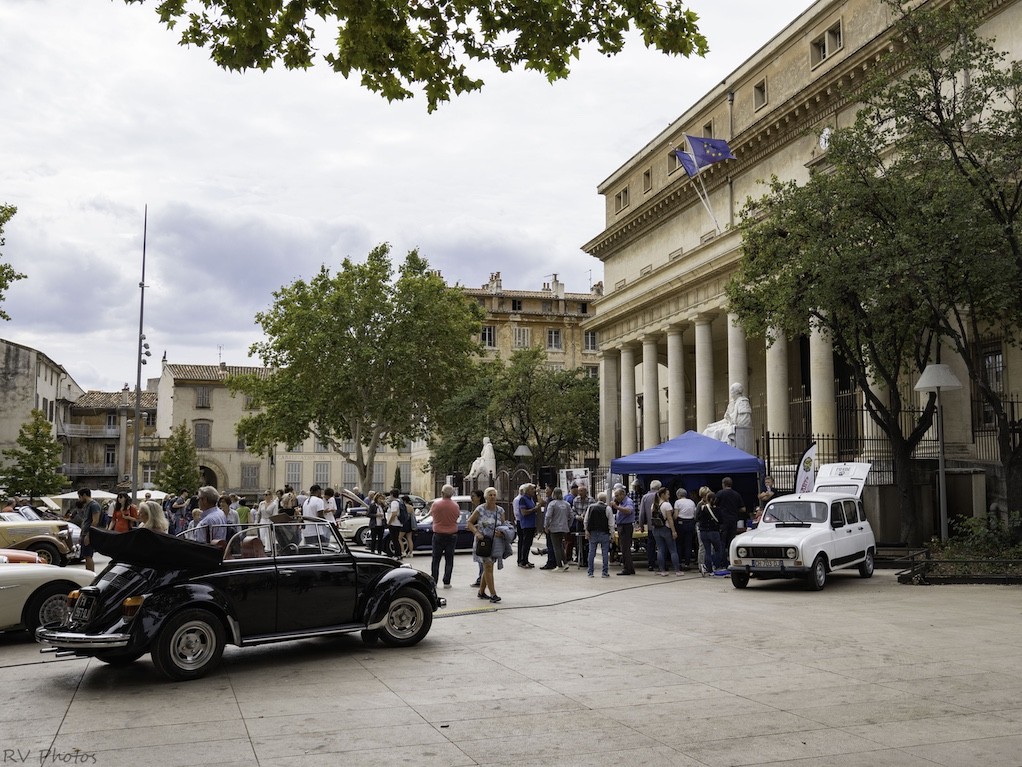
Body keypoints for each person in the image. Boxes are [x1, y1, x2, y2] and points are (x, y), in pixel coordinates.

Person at [467, 486, 512, 603]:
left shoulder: (500, 510)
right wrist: (476, 532)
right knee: (488, 566)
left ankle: (481, 592)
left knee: (488, 567)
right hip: (483, 543)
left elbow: (504, 525)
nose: (492, 497)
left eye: (494, 495)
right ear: (486, 497)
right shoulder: (480, 509)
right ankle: (493, 594)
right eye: (490, 495)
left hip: (495, 543)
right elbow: (469, 523)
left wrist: (502, 533)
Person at [703, 382, 753, 448]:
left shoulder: (743, 402)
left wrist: (732, 422)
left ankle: (718, 450)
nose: (731, 392)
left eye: (732, 390)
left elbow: (744, 421)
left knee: (717, 432)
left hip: (735, 427)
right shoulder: (731, 404)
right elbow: (726, 419)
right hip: (729, 425)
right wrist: (713, 424)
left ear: (737, 392)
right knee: (708, 430)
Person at [429, 484, 460, 588]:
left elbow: (431, 515)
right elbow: (457, 517)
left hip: (438, 534)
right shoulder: (455, 506)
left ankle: (434, 581)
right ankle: (447, 582)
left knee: (436, 559)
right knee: (449, 559)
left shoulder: (436, 505)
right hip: (451, 535)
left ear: (442, 493)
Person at [583, 491, 615, 577]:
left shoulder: (591, 507)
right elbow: (611, 523)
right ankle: (604, 573)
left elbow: (586, 520)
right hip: (604, 533)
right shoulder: (608, 508)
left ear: (598, 498)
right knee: (604, 553)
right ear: (605, 500)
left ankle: (590, 572)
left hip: (592, 533)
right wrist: (612, 535)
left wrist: (586, 530)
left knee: (591, 552)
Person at [715, 477, 746, 562]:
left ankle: (722, 562)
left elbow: (714, 506)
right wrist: (735, 509)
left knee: (722, 542)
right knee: (731, 541)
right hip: (733, 520)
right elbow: (743, 509)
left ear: (723, 484)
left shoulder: (720, 494)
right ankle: (731, 560)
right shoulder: (736, 494)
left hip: (723, 521)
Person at [652, 486, 681, 576]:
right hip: (666, 529)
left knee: (660, 550)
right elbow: (670, 519)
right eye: (667, 494)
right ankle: (677, 570)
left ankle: (662, 570)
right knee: (673, 550)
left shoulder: (654, 505)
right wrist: (674, 531)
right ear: (663, 495)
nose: (669, 496)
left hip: (656, 529)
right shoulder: (666, 505)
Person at [542, 487, 573, 571]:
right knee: (561, 546)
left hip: (554, 528)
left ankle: (559, 565)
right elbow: (571, 516)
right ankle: (565, 562)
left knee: (556, 547)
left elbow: (548, 516)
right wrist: (568, 525)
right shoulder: (566, 504)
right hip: (564, 528)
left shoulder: (552, 504)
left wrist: (546, 526)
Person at [696, 487, 725, 574]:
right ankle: (715, 565)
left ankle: (707, 567)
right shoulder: (717, 509)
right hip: (714, 531)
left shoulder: (701, 507)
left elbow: (697, 518)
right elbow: (721, 521)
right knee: (718, 550)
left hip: (703, 531)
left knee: (706, 550)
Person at [609, 485, 636, 575]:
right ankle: (630, 567)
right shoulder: (620, 502)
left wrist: (617, 507)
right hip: (621, 526)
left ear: (622, 494)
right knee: (624, 548)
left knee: (625, 548)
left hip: (626, 526)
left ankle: (627, 569)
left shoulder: (628, 501)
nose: (615, 497)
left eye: (617, 495)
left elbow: (629, 511)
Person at [636, 480, 662, 571]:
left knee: (651, 545)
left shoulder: (645, 497)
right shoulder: (661, 496)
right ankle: (661, 564)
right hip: (661, 525)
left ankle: (651, 564)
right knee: (661, 545)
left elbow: (642, 513)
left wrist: (641, 525)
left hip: (651, 526)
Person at [77, 488, 103, 572]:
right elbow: (85, 521)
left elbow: (95, 521)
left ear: (84, 495)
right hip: (85, 533)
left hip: (89, 534)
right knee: (86, 556)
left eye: (80, 497)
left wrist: (88, 535)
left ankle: (91, 575)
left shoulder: (94, 505)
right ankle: (88, 573)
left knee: (88, 556)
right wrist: (82, 534)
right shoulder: (88, 505)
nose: (79, 499)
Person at [513, 484, 537, 568]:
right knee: (525, 543)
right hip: (526, 524)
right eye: (532, 489)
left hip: (531, 524)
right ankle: (522, 561)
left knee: (529, 543)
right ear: (527, 491)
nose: (534, 491)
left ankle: (526, 560)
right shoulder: (522, 499)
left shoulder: (531, 499)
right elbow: (523, 512)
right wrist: (534, 509)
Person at [674, 488, 698, 569]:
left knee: (679, 543)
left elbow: (676, 515)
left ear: (678, 495)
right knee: (688, 544)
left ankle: (679, 562)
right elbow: (695, 515)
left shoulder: (677, 502)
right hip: (690, 523)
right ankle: (687, 563)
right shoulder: (692, 502)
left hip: (681, 523)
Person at [468, 489, 485, 588]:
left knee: (482, 558)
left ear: (479, 497)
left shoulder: (481, 508)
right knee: (480, 558)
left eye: (473, 496)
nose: (472, 499)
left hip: (481, 536)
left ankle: (481, 579)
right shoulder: (476, 508)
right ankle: (481, 577)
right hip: (477, 535)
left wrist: (477, 526)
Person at [386, 488, 405, 558]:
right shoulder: (399, 501)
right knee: (396, 539)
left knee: (394, 540)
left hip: (394, 524)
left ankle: (397, 554)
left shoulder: (394, 503)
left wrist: (389, 522)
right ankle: (399, 554)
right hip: (399, 523)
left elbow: (394, 514)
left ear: (392, 494)